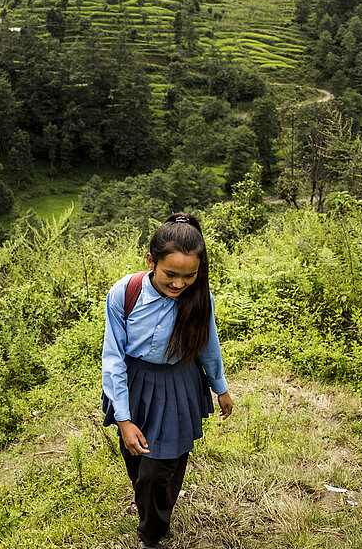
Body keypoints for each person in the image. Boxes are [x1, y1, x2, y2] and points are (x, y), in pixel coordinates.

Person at [101, 212, 234, 549]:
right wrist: (124, 419)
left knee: (160, 469)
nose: (178, 284)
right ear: (151, 261)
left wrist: (220, 388)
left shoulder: (200, 298)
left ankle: (151, 536)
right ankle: (146, 500)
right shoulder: (124, 293)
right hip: (134, 383)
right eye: (170, 274)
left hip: (177, 383)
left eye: (189, 276)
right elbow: (113, 357)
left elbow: (208, 346)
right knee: (136, 458)